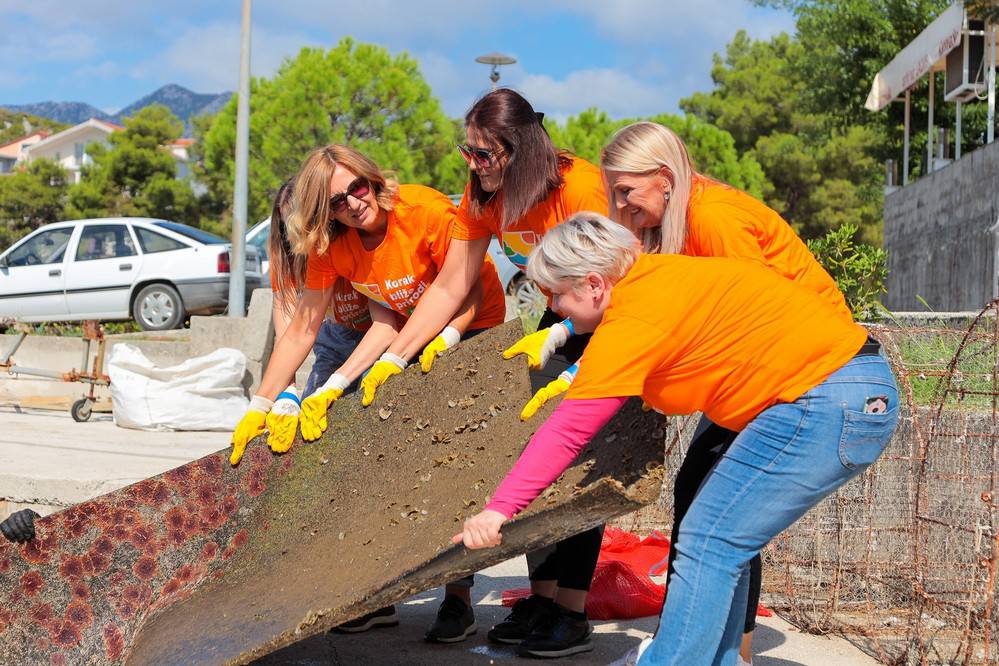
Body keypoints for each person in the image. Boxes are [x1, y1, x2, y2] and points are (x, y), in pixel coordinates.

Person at [455, 213, 898, 665]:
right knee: (719, 538)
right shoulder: (656, 278)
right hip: (838, 391)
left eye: (557, 294)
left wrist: (499, 509)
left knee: (709, 539)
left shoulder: (633, 317)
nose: (556, 308)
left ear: (593, 284)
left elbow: (567, 434)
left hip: (825, 399)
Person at [518, 120, 856, 664]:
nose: (621, 208)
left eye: (627, 192)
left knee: (713, 510)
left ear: (666, 178)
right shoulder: (676, 222)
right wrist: (567, 339)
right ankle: (719, 650)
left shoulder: (715, 219)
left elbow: (748, 319)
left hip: (798, 371)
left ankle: (730, 651)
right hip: (767, 371)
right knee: (706, 505)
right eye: (613, 194)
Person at [361, 88, 609, 658]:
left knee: (580, 460)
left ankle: (572, 612)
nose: (472, 165)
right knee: (533, 448)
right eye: (467, 152)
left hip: (607, 312)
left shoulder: (580, 188)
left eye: (484, 154)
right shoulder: (483, 197)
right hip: (559, 315)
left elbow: (623, 274)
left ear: (520, 149)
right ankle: (542, 600)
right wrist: (398, 354)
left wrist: (580, 347)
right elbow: (452, 284)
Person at [229, 143, 506, 642]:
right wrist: (264, 402)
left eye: (356, 187)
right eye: (338, 201)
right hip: (407, 338)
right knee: (393, 468)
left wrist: (431, 344)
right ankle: (378, 593)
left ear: (370, 178)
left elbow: (468, 290)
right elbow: (299, 329)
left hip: (472, 334)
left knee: (457, 469)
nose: (354, 202)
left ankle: (459, 599)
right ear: (324, 214)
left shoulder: (424, 212)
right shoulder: (334, 245)